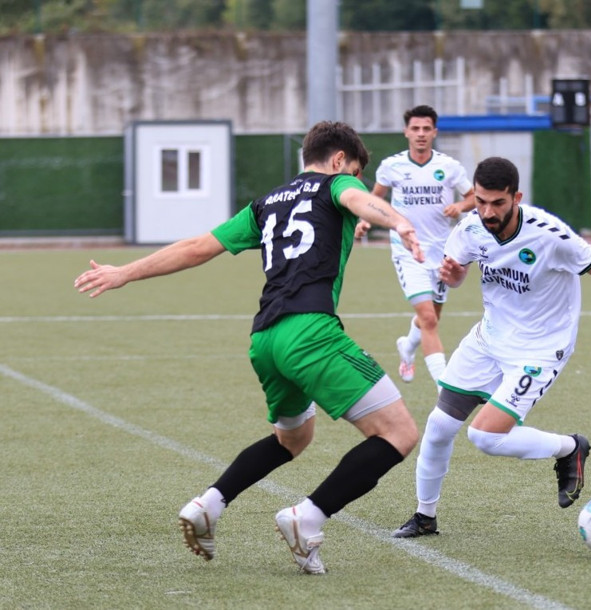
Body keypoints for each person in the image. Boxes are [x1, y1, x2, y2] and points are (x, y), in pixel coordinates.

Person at [74, 121, 423, 574]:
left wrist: (125, 272)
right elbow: (358, 199)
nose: (354, 182)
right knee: (399, 433)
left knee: (293, 438)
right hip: (310, 332)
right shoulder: (338, 185)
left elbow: (198, 247)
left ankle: (209, 504)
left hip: (265, 338)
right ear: (339, 161)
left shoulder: (267, 202)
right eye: (354, 172)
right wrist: (399, 220)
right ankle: (307, 517)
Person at [392, 156, 591, 538]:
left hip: (540, 349)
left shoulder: (550, 235)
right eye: (481, 202)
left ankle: (569, 448)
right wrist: (455, 274)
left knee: (484, 436)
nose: (488, 212)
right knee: (440, 425)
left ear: (516, 197)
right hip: (489, 338)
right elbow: (456, 274)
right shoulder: (470, 228)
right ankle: (425, 516)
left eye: (498, 203)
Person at [355, 105, 475, 386]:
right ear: (406, 132)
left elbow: (473, 197)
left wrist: (460, 206)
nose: (421, 134)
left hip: (443, 253)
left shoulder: (449, 167)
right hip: (408, 251)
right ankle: (445, 391)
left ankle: (407, 347)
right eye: (415, 128)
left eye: (426, 129)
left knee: (432, 318)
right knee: (428, 319)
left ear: (434, 132)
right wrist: (364, 220)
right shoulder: (392, 166)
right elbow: (375, 199)